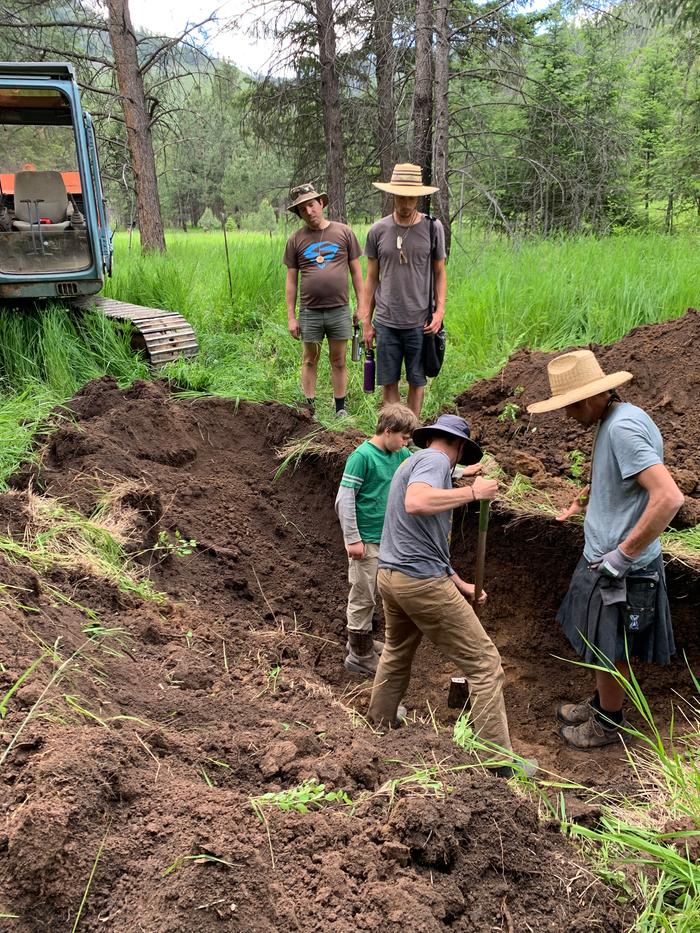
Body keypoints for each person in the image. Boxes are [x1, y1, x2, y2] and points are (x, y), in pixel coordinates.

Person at [527, 350, 684, 750]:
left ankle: (609, 723)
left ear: (597, 395)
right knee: (600, 642)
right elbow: (625, 479)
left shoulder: (622, 429)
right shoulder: (615, 418)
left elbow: (668, 498)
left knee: (610, 649)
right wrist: (588, 495)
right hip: (604, 556)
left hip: (622, 567)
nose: (569, 415)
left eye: (574, 405)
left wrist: (624, 554)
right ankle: (601, 705)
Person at [367, 414, 534, 778]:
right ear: (457, 446)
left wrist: (460, 582)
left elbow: (423, 538)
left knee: (396, 651)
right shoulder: (434, 461)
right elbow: (418, 502)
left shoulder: (416, 460)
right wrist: (475, 493)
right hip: (420, 584)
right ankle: (498, 764)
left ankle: (378, 724)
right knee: (485, 663)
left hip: (391, 577)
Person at [335, 403, 420, 676]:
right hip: (367, 541)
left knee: (379, 592)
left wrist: (460, 472)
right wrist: (353, 539)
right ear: (387, 431)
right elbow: (344, 499)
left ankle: (366, 643)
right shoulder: (362, 457)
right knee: (363, 594)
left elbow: (421, 467)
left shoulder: (400, 454)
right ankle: (359, 654)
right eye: (403, 437)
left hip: (389, 540)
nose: (406, 443)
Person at [358, 163, 446, 419]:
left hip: (420, 321)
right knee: (389, 381)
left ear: (418, 197)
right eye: (400, 197)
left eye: (410, 197)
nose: (405, 203)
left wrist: (439, 312)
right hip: (386, 320)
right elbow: (371, 278)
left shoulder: (432, 228)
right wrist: (366, 320)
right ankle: (394, 438)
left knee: (417, 382)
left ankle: (412, 433)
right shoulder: (378, 230)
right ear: (392, 195)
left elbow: (440, 272)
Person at [284, 183, 364, 417]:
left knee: (338, 360)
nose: (309, 212)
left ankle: (340, 409)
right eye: (302, 209)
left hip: (339, 309)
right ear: (299, 214)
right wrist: (291, 316)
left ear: (321, 203)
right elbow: (291, 281)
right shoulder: (295, 240)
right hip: (310, 311)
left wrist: (362, 305)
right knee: (310, 359)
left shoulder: (343, 233)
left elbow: (357, 272)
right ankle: (310, 410)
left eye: (311, 205)